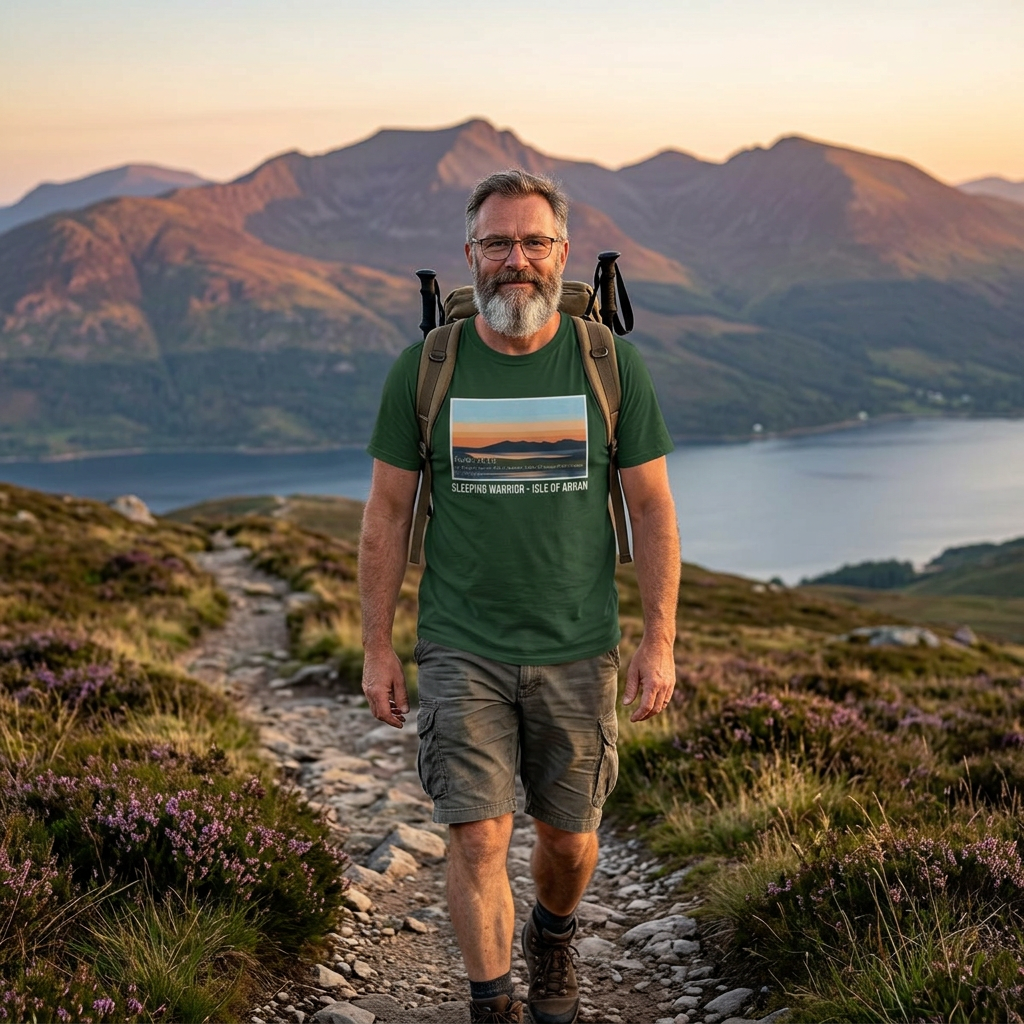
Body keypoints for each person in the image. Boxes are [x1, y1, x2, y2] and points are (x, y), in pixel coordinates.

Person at [359, 169, 680, 1024]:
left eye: (533, 243)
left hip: (580, 644)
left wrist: (659, 640)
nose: (516, 260)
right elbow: (388, 512)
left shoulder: (610, 362)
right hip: (462, 644)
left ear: (562, 255)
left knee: (570, 841)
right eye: (497, 243)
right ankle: (493, 1003)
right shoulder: (425, 368)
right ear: (470, 256)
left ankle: (554, 933)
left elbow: (650, 507)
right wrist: (378, 646)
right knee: (478, 833)